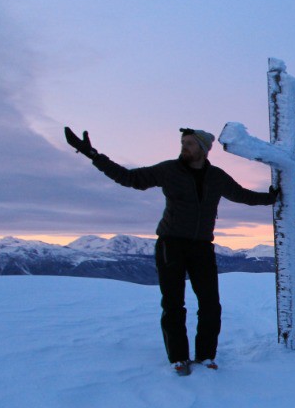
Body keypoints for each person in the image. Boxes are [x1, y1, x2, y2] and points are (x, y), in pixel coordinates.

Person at [64, 126, 278, 376]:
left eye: (189, 143)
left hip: (202, 247)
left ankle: (206, 356)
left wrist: (271, 198)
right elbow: (129, 178)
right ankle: (178, 358)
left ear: (203, 148)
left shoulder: (217, 177)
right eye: (182, 142)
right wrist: (93, 155)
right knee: (174, 304)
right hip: (171, 245)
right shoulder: (169, 170)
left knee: (210, 305)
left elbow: (243, 195)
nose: (183, 147)